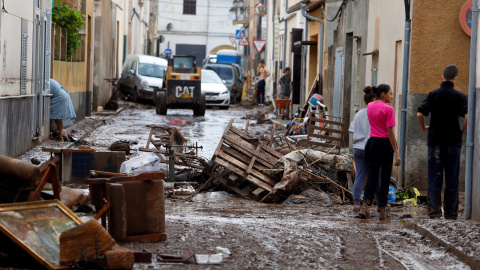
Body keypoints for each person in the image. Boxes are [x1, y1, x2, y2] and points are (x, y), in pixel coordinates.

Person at [417, 64, 468, 220]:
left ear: (442, 76)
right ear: (456, 78)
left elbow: (420, 114)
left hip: (435, 141)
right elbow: (467, 117)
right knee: (452, 177)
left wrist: (424, 128)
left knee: (434, 176)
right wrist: (462, 131)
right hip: (453, 141)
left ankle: (434, 213)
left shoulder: (433, 95)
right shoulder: (460, 97)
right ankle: (451, 213)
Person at [358, 84, 401, 220]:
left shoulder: (370, 106)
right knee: (385, 177)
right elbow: (390, 132)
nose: (392, 96)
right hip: (385, 144)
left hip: (372, 143)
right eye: (390, 93)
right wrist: (396, 152)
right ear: (383, 94)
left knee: (372, 176)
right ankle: (382, 209)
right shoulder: (389, 109)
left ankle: (365, 206)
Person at [349, 87, 380, 212]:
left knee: (360, 175)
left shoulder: (358, 114)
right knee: (376, 176)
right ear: (373, 99)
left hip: (357, 148)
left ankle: (356, 204)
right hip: (371, 147)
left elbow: (351, 129)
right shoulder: (375, 113)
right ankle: (379, 203)